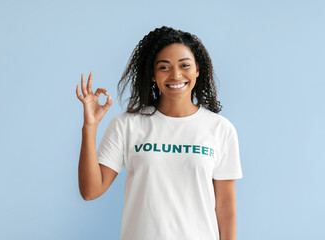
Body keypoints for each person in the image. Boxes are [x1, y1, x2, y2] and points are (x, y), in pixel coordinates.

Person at [76, 26, 243, 240]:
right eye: (164, 67)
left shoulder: (221, 129)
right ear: (153, 75)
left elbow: (226, 206)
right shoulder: (127, 125)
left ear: (197, 70)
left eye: (185, 65)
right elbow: (90, 191)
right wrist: (89, 127)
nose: (175, 75)